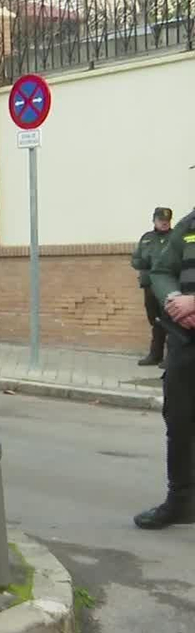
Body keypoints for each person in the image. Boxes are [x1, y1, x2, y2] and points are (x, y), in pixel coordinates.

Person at [138, 207, 195, 530]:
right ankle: (182, 502)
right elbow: (161, 270)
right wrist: (174, 299)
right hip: (185, 340)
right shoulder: (189, 224)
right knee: (180, 420)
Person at [133, 208, 175, 367]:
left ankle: (171, 357)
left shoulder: (175, 237)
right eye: (161, 220)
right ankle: (155, 354)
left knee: (170, 320)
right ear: (154, 220)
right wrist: (144, 263)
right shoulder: (147, 238)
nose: (164, 223)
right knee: (155, 320)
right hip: (150, 285)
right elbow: (136, 259)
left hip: (167, 285)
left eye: (167, 220)